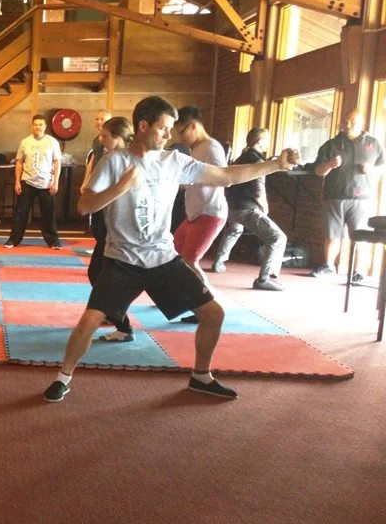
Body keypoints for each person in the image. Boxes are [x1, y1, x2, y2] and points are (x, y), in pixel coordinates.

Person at [42, 96, 299, 404]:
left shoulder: (174, 162)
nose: (169, 135)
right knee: (90, 320)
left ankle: (201, 376)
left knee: (213, 313)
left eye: (171, 129)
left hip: (163, 258)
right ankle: (63, 378)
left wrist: (275, 164)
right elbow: (85, 206)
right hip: (122, 259)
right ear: (143, 126)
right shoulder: (114, 162)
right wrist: (120, 187)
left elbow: (227, 176)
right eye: (163, 128)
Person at [308, 109, 385, 281]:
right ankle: (329, 266)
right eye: (346, 121)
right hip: (333, 196)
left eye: (353, 122)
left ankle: (359, 271)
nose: (348, 125)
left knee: (361, 237)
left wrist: (371, 170)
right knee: (331, 235)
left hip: (361, 198)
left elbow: (382, 167)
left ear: (361, 124)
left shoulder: (373, 143)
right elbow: (318, 171)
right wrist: (329, 165)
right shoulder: (331, 145)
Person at [211, 128, 288, 291]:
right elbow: (258, 188)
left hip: (232, 206)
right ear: (260, 141)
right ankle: (264, 278)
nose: (268, 143)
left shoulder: (239, 158)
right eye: (266, 140)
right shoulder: (258, 161)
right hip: (247, 208)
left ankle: (218, 262)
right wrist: (264, 206)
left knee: (234, 230)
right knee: (277, 238)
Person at [82, 116, 135, 342]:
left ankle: (120, 322)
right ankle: (113, 315)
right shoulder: (111, 157)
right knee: (99, 273)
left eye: (105, 136)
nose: (101, 139)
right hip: (109, 224)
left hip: (120, 229)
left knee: (99, 273)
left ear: (118, 136)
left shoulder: (123, 160)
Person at [172, 106, 228, 288]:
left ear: (193, 126)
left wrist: (197, 179)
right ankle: (183, 295)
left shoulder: (211, 147)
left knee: (190, 261)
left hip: (209, 213)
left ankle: (207, 299)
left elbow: (225, 179)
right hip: (195, 214)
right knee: (174, 253)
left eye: (182, 132)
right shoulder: (196, 148)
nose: (181, 138)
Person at [4, 114, 63, 249]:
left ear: (45, 126)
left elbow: (57, 162)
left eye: (40, 124)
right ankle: (13, 240)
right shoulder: (25, 142)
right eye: (35, 124)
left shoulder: (52, 142)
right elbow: (19, 162)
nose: (38, 127)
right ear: (32, 126)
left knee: (48, 214)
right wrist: (17, 181)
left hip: (46, 183)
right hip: (27, 182)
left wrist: (55, 181)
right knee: (20, 213)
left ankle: (53, 241)